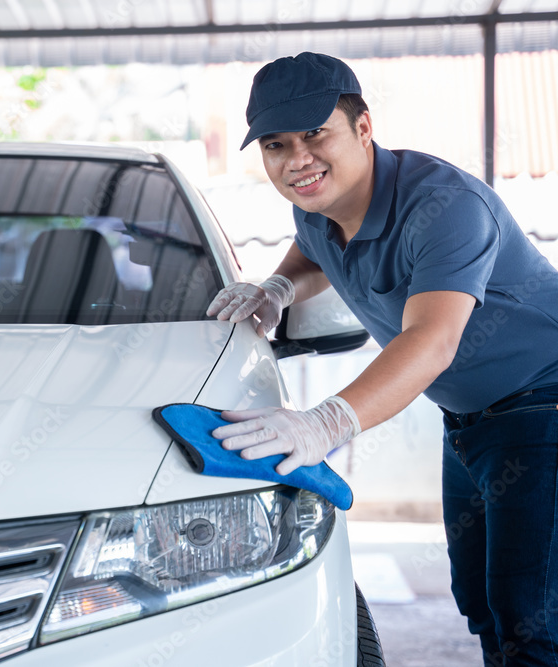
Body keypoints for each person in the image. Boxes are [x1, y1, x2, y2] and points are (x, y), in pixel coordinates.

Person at [206, 51, 558, 666]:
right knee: (481, 601)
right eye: (275, 145)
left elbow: (432, 341)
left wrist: (324, 422)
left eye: (315, 135)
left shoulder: (445, 209)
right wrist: (277, 288)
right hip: (471, 421)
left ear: (363, 127)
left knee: (534, 618)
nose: (297, 161)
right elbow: (311, 250)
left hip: (544, 406)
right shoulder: (317, 203)